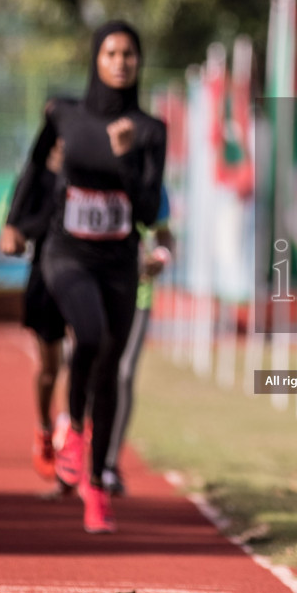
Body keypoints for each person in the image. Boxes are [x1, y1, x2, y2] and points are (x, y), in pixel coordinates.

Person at [5, 20, 166, 534]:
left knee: (110, 368)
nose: (121, 62)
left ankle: (96, 486)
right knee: (88, 337)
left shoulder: (149, 129)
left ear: (138, 64)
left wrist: (124, 158)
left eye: (130, 55)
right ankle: (72, 429)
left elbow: (145, 208)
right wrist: (14, 222)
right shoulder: (63, 113)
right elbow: (34, 167)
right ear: (96, 58)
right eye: (112, 52)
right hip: (65, 252)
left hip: (118, 260)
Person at [2, 138, 70, 482]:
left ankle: (69, 431)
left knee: (81, 356)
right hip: (44, 276)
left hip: (83, 273)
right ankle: (44, 426)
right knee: (50, 368)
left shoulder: (87, 174)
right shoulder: (34, 179)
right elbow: (17, 230)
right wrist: (15, 232)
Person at [101, 186, 176, 497]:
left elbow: (164, 235)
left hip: (139, 293)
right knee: (93, 369)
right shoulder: (94, 172)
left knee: (125, 373)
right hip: (97, 288)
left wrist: (161, 256)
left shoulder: (152, 184)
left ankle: (109, 462)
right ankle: (79, 435)